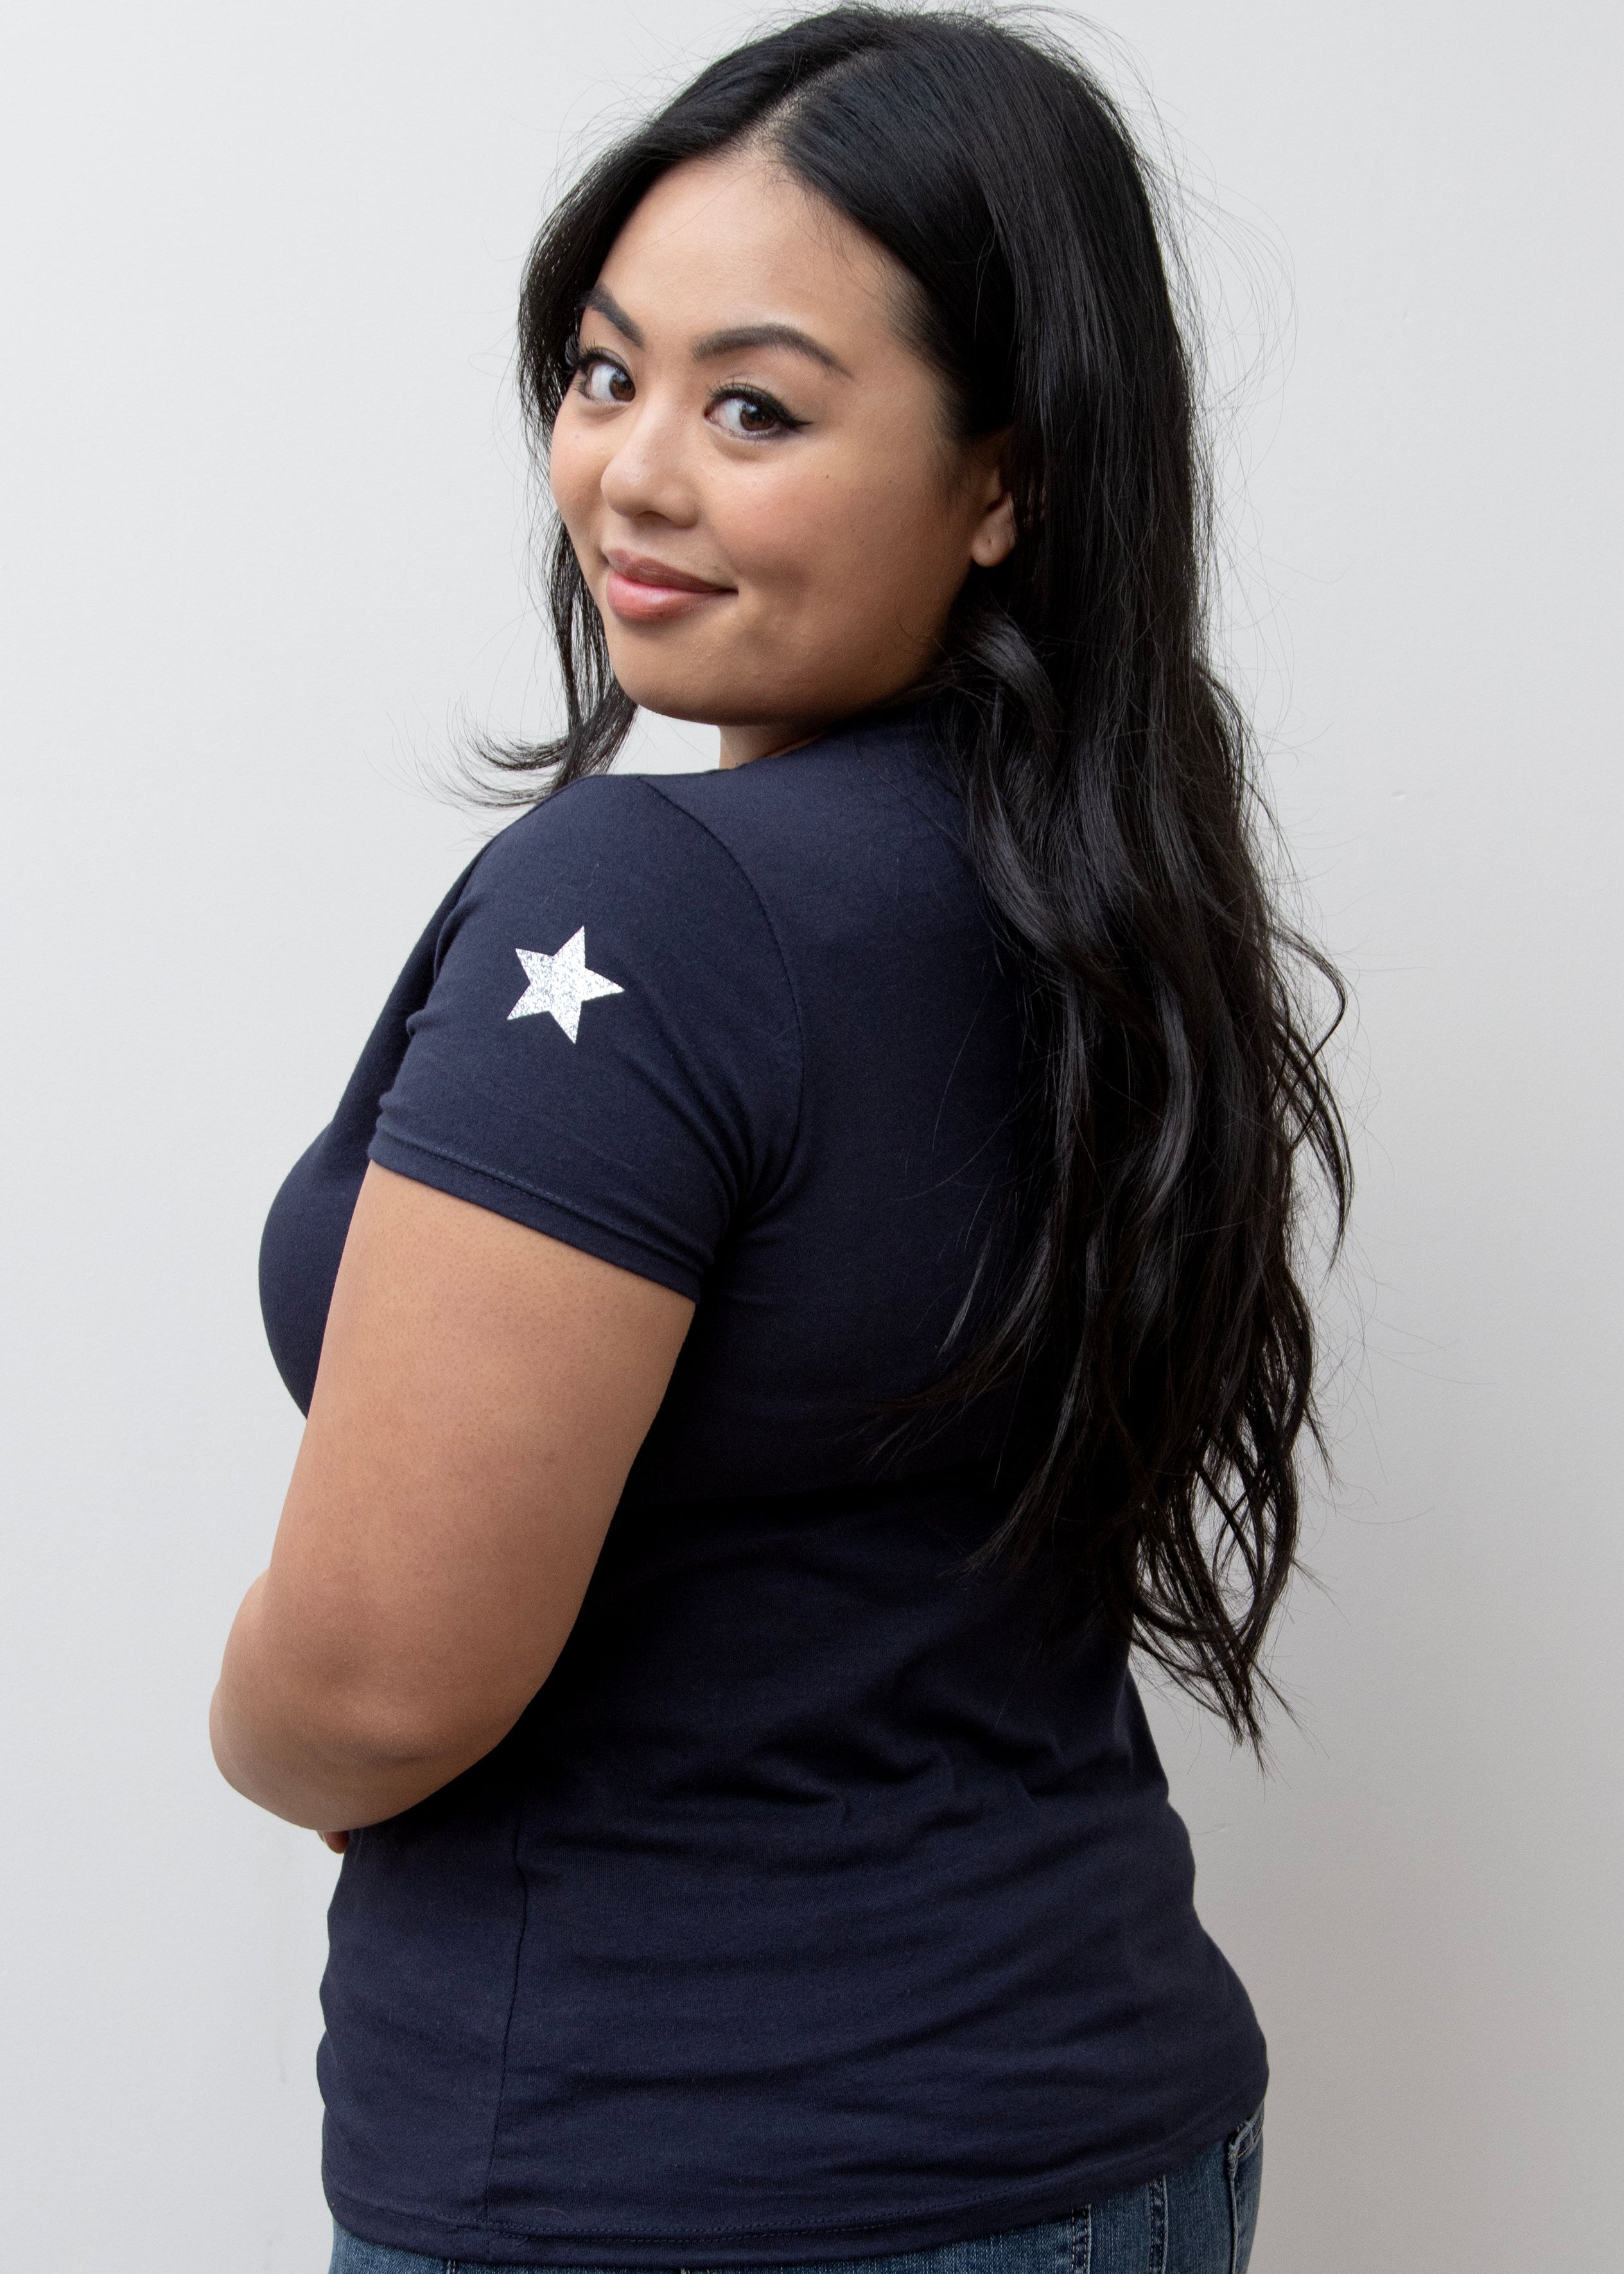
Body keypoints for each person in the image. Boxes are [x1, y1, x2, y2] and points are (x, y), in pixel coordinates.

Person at [212, 10, 1348, 2271]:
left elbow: (376, 1679)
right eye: (606, 371)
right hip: (1107, 2131)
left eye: (755, 407)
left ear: (1000, 478)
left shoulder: (645, 908)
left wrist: (281, 1744)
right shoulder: (1104, 898)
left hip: (688, 2186)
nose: (633, 472)